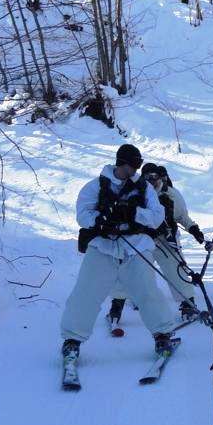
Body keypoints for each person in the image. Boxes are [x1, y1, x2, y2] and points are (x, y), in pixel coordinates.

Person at [61, 144, 181, 375]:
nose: (136, 170)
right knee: (86, 293)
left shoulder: (143, 188)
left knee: (147, 292)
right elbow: (82, 213)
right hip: (103, 247)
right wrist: (101, 220)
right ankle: (72, 342)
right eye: (132, 165)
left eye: (138, 165)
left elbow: (157, 217)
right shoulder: (96, 186)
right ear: (121, 163)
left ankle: (163, 336)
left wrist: (134, 214)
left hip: (135, 247)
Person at [107, 163, 206, 327]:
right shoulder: (136, 192)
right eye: (146, 178)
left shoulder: (171, 194)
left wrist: (194, 229)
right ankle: (117, 305)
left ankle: (188, 303)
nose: (151, 181)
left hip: (165, 240)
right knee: (130, 269)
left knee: (176, 268)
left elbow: (182, 217)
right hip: (142, 238)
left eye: (154, 178)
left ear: (160, 178)